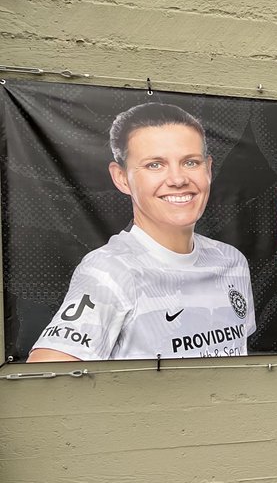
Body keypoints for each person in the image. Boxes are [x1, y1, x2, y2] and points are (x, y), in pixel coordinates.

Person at [27, 102, 255, 362]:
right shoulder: (109, 271)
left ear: (208, 169)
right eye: (155, 165)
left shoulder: (232, 261)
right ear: (122, 178)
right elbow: (46, 376)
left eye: (190, 162)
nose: (178, 179)